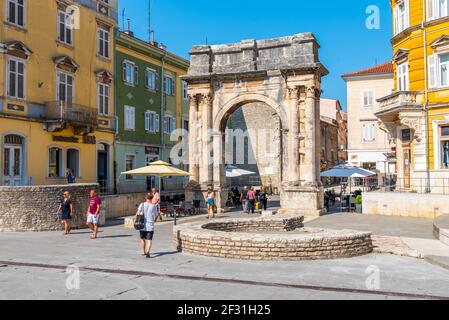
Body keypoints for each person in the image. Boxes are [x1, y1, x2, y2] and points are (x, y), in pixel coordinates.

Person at [136, 194, 159, 258]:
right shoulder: (154, 206)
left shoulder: (142, 204)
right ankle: (148, 252)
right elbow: (156, 215)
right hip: (150, 225)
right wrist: (154, 220)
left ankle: (143, 252)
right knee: (149, 239)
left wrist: (136, 220)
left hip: (142, 225)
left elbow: (137, 213)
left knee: (142, 239)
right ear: (152, 198)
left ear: (146, 198)